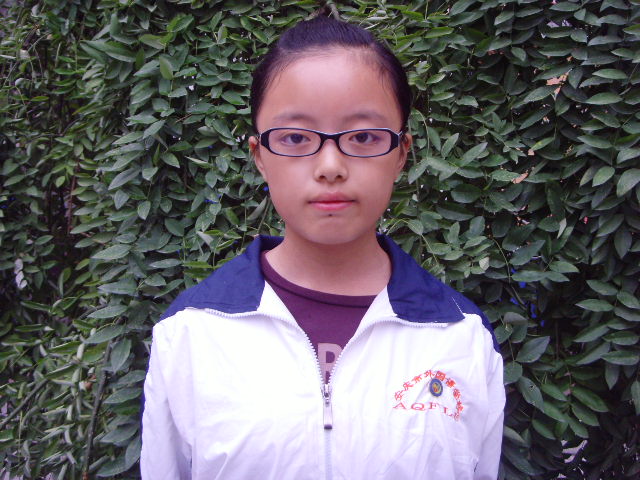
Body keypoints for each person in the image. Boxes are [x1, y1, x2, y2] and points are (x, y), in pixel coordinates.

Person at [141, 15, 504, 480]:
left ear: (401, 153)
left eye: (363, 137)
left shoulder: (461, 338)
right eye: (295, 138)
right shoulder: (191, 334)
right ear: (259, 156)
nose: (330, 166)